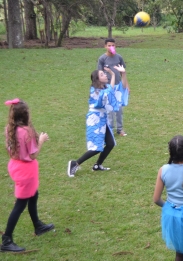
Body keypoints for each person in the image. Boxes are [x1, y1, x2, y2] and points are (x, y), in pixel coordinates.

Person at [2, 99, 55, 253]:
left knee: (33, 194)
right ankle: (6, 240)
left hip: (15, 166)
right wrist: (41, 141)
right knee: (20, 204)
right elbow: (33, 154)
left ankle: (38, 225)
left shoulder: (9, 129)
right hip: (26, 170)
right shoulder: (27, 132)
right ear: (26, 115)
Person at [67, 65, 129, 177]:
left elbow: (121, 88)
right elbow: (108, 93)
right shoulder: (94, 91)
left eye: (105, 74)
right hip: (94, 120)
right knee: (96, 148)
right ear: (97, 79)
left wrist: (122, 74)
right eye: (102, 74)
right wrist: (113, 75)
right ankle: (75, 163)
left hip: (102, 119)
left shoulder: (105, 88)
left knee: (110, 143)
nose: (105, 75)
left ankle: (98, 165)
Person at [97, 38, 128, 136]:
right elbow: (99, 74)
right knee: (109, 110)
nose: (111, 47)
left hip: (118, 87)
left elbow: (123, 73)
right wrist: (100, 88)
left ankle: (120, 129)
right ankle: (110, 129)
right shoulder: (102, 59)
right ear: (105, 46)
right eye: (109, 45)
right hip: (107, 87)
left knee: (119, 109)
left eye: (113, 45)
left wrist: (126, 86)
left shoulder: (119, 57)